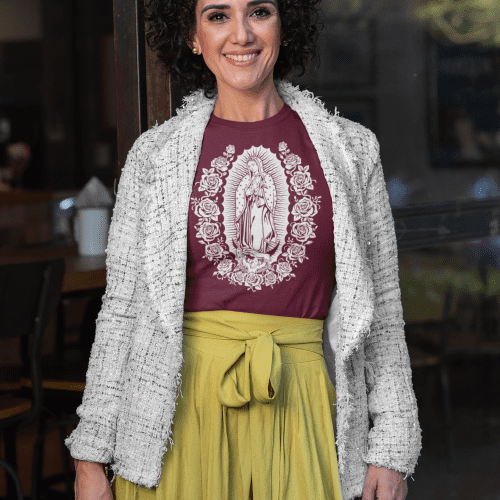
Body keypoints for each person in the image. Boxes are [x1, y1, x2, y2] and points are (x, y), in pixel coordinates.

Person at [66, 0, 422, 499]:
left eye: (258, 11)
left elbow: (381, 308)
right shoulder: (154, 156)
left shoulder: (351, 149)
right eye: (217, 15)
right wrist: (90, 456)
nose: (241, 35)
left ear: (283, 24)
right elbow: (121, 311)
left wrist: (393, 446)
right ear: (193, 36)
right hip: (180, 415)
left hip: (307, 410)